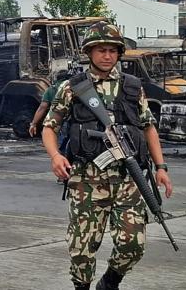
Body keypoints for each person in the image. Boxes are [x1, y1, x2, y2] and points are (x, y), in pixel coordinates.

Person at [41, 22, 173, 290]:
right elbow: (49, 127)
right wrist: (55, 156)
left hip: (128, 180)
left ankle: (110, 283)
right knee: (82, 248)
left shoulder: (133, 87)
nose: (107, 56)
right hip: (87, 180)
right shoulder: (72, 88)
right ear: (89, 53)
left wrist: (161, 167)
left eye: (112, 51)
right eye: (101, 50)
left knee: (133, 244)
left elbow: (148, 127)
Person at [29, 71, 70, 138]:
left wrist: (33, 124)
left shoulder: (51, 89)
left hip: (56, 120)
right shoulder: (72, 87)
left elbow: (42, 107)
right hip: (73, 121)